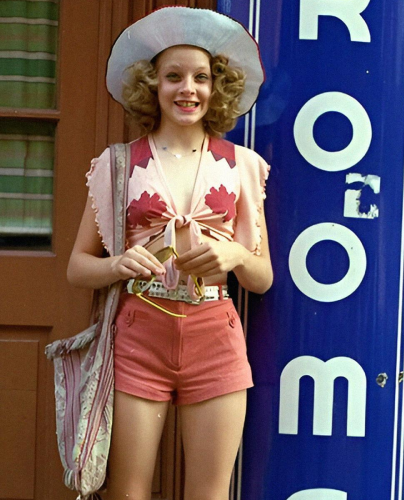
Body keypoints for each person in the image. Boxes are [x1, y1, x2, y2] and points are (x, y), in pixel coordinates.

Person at [66, 8, 271, 499]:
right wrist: (118, 265)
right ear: (151, 85)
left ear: (216, 87)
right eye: (173, 76)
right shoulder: (117, 165)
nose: (188, 89)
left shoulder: (241, 165)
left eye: (202, 77)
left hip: (215, 334)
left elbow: (262, 276)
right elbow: (78, 267)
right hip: (140, 333)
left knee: (209, 492)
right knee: (128, 492)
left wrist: (235, 258)